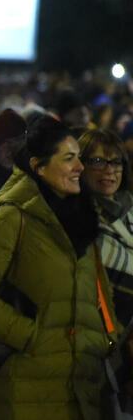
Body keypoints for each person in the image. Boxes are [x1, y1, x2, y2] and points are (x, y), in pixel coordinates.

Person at [0, 116, 111, 420]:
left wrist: (109, 341)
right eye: (68, 158)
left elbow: (95, 300)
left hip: (80, 387)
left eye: (79, 157)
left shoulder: (83, 222)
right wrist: (31, 337)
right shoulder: (13, 218)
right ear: (38, 167)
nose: (79, 167)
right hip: (26, 392)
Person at [79, 127, 133, 325]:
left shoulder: (130, 206)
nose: (109, 170)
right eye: (98, 161)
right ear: (80, 165)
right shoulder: (79, 218)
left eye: (116, 162)